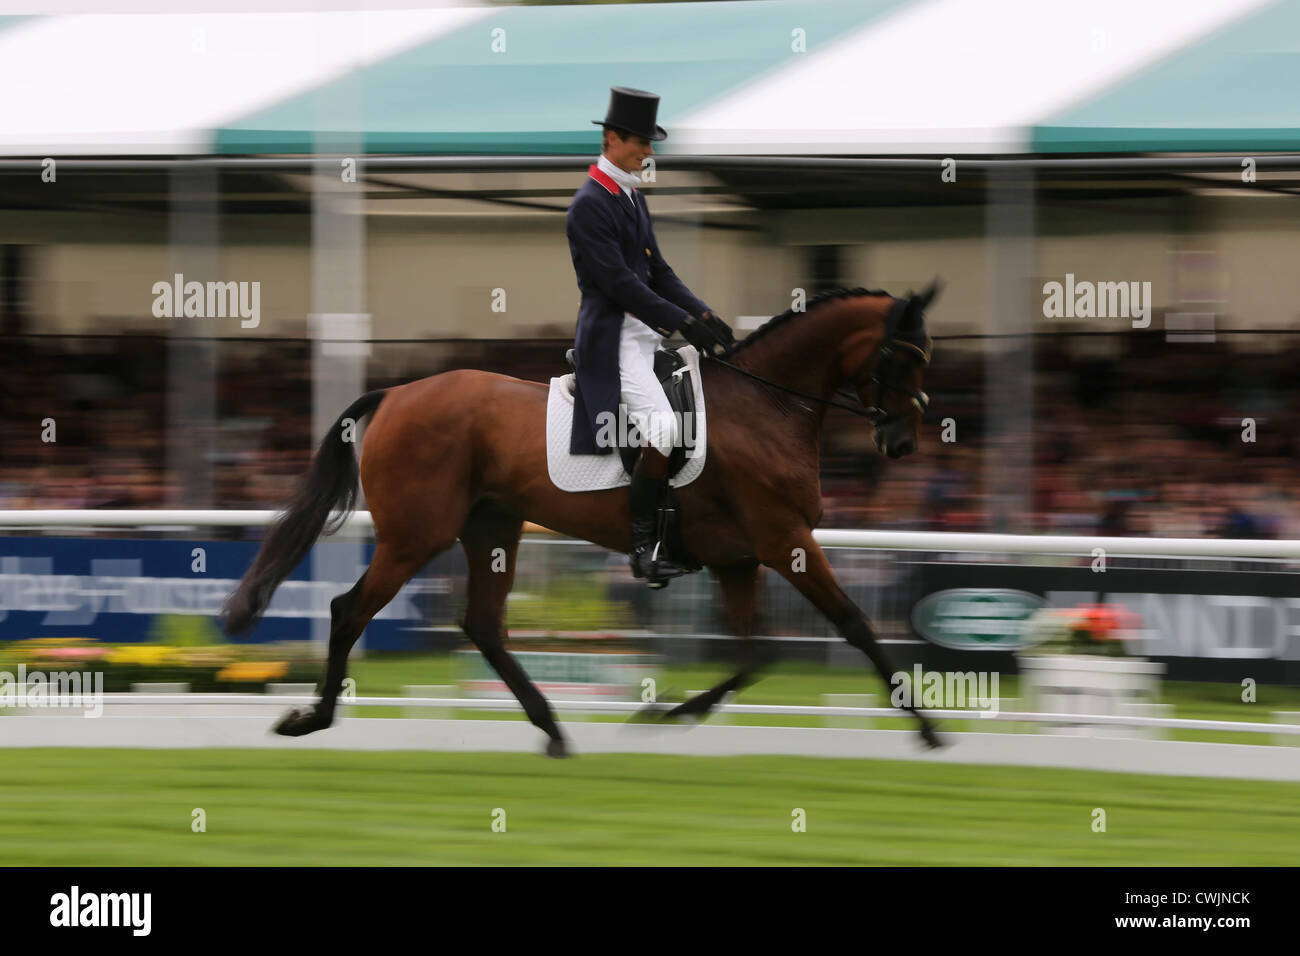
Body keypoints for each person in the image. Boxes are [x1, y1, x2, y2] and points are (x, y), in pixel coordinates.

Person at [565, 86, 734, 587]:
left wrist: (703, 314)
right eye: (641, 141)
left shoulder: (631, 195)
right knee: (663, 431)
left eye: (650, 142)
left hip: (644, 335)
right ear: (612, 138)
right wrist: (681, 324)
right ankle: (642, 548)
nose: (649, 152)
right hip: (613, 337)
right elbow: (618, 284)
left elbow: (658, 272)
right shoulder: (588, 205)